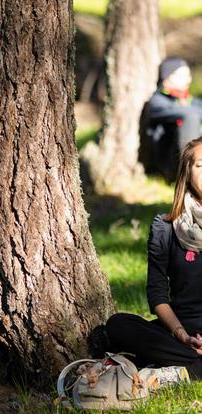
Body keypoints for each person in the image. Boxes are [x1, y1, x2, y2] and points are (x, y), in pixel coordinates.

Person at [107, 136, 202, 380]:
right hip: (180, 330)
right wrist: (181, 334)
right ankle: (190, 365)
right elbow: (157, 293)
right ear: (187, 173)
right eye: (200, 166)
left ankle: (180, 370)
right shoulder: (165, 227)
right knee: (118, 325)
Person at [144, 57, 202, 181]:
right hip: (171, 165)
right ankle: (190, 177)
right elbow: (188, 113)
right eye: (181, 76)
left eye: (188, 75)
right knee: (191, 118)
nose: (188, 80)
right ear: (166, 79)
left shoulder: (193, 101)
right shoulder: (157, 101)